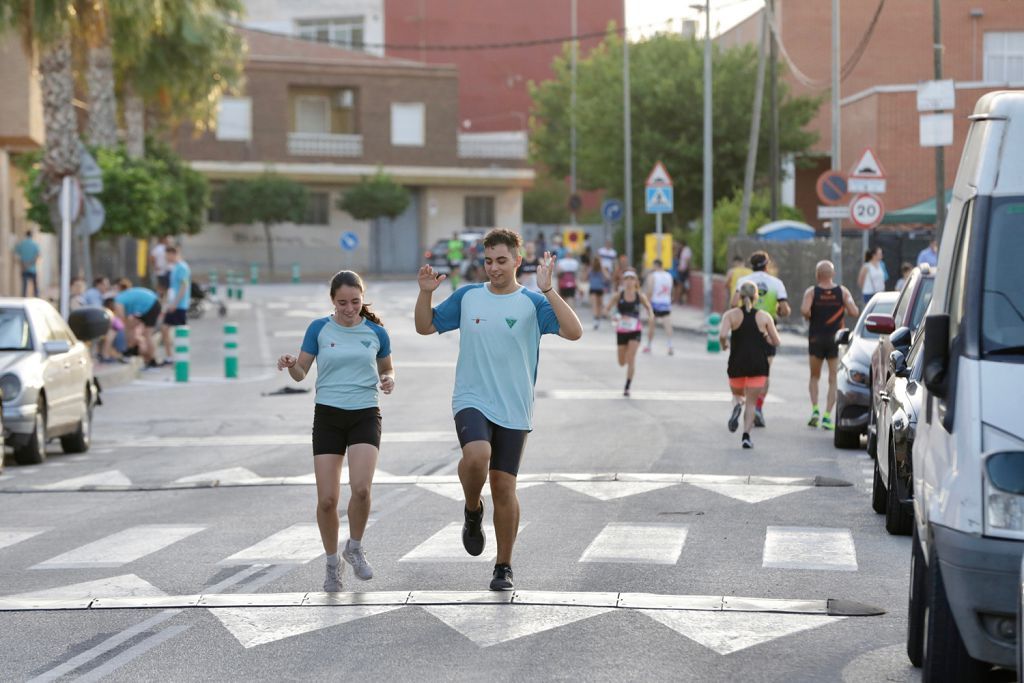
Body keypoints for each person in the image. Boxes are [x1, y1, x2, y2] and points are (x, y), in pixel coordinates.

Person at [414, 228, 582, 591]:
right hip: (471, 397)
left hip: (514, 406)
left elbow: (574, 331)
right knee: (477, 455)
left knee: (504, 486)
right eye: (488, 261)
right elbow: (425, 326)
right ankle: (473, 510)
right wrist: (425, 294)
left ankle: (503, 565)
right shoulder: (468, 297)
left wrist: (548, 290)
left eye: (502, 261)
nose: (493, 268)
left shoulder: (533, 304)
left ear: (518, 261)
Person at [277, 270, 395, 592]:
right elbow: (302, 374)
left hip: (365, 413)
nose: (349, 308)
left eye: (355, 301)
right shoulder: (318, 328)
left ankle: (354, 548)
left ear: (362, 298)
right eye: (342, 302)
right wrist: (291, 364)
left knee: (361, 490)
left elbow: (386, 367)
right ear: (332, 301)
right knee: (328, 500)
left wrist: (389, 380)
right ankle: (332, 564)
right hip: (328, 415)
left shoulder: (375, 332)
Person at [719, 281, 781, 449]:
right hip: (758, 366)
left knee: (738, 396)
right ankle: (746, 436)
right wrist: (766, 336)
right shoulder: (764, 316)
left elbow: (723, 335)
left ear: (739, 296)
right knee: (752, 403)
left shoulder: (730, 315)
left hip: (736, 365)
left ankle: (737, 405)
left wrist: (724, 345)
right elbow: (776, 341)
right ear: (756, 296)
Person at [732, 251, 790, 427]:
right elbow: (785, 310)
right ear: (767, 265)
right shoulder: (777, 283)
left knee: (742, 370)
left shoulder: (743, 281)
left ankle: (740, 401)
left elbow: (734, 304)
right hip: (766, 328)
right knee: (763, 372)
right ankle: (757, 407)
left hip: (744, 329)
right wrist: (780, 311)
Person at [800, 261, 860, 430]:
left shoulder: (812, 292)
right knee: (833, 379)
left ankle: (815, 411)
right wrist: (842, 308)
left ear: (817, 275)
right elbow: (854, 312)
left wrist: (812, 314)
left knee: (814, 377)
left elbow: (804, 310)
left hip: (816, 339)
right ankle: (827, 415)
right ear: (832, 275)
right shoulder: (842, 291)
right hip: (835, 340)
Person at [605, 269, 653, 396]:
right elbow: (607, 309)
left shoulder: (639, 296)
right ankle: (626, 357)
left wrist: (650, 317)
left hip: (635, 330)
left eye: (632, 279)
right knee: (622, 362)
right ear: (623, 281)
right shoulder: (618, 295)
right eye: (627, 279)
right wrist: (613, 316)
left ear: (636, 281)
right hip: (621, 331)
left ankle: (627, 386)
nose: (629, 281)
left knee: (631, 358)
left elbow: (649, 308)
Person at [113, 279, 162, 367]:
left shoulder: (118, 299)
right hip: (152, 303)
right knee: (136, 330)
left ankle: (150, 359)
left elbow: (121, 317)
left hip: (150, 306)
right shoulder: (128, 295)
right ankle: (136, 351)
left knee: (146, 334)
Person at [161, 246, 191, 360]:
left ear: (173, 254)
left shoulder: (182, 267)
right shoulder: (174, 267)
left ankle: (177, 357)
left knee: (179, 331)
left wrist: (175, 303)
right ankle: (171, 356)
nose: (166, 258)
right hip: (173, 304)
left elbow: (184, 286)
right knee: (165, 329)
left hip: (179, 305)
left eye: (167, 255)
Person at [643, 259, 674, 355]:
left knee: (651, 325)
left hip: (655, 303)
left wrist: (647, 303)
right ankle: (670, 345)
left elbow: (650, 290)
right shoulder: (669, 276)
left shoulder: (652, 276)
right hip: (666, 303)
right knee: (667, 325)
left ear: (655, 265)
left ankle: (648, 345)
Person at [14, 230, 41, 298]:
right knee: (35, 285)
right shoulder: (35, 244)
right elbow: (37, 255)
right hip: (32, 268)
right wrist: (30, 264)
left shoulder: (22, 244)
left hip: (24, 268)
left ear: (26, 235)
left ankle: (24, 298)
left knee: (24, 286)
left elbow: (15, 253)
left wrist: (22, 263)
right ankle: (36, 297)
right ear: (31, 235)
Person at [587, 258, 610, 330]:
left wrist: (602, 269)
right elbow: (585, 277)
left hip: (600, 288)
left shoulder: (601, 270)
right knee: (595, 305)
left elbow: (608, 277)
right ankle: (595, 319)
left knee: (599, 305)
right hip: (593, 288)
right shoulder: (591, 270)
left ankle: (597, 319)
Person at [673, 239, 693, 304]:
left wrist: (687, 269)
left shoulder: (686, 250)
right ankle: (680, 299)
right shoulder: (683, 250)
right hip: (681, 269)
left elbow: (687, 260)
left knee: (681, 284)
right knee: (680, 284)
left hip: (684, 270)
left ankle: (680, 299)